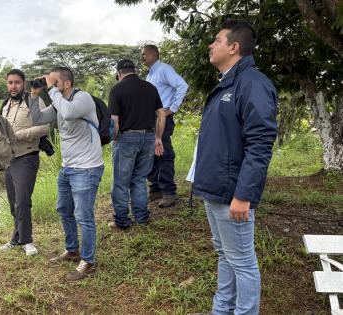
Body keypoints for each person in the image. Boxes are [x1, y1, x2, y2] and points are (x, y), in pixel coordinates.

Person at [187, 20, 278, 314]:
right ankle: (222, 309)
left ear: (234, 47)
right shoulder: (227, 82)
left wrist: (243, 195)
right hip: (215, 189)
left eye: (216, 40)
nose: (211, 46)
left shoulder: (252, 83)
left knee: (242, 261)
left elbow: (260, 144)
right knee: (225, 255)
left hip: (232, 193)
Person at [29, 66, 104, 281]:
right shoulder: (58, 102)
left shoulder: (83, 99)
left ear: (67, 83)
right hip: (68, 167)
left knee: (84, 216)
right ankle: (72, 250)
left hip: (87, 168)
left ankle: (88, 261)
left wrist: (50, 89)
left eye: (53, 82)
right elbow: (37, 119)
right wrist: (34, 96)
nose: (49, 86)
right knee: (63, 208)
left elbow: (69, 112)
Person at [107, 59, 166, 230]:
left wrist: (114, 138)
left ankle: (122, 221)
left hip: (127, 138)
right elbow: (161, 115)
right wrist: (158, 137)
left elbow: (114, 121)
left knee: (120, 182)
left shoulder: (117, 89)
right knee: (139, 179)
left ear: (119, 73)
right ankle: (141, 218)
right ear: (134, 70)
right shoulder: (150, 87)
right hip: (148, 137)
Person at [0, 69, 49, 256]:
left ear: (24, 83)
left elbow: (45, 127)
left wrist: (18, 135)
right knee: (13, 202)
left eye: (17, 82)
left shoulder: (33, 100)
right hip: (9, 159)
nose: (13, 86)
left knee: (22, 201)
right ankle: (16, 239)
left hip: (27, 157)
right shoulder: (5, 105)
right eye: (10, 82)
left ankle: (27, 241)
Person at [142, 44, 189, 207]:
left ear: (154, 55)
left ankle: (169, 192)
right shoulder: (150, 74)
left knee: (164, 153)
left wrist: (172, 109)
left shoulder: (163, 69)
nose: (142, 57)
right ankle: (155, 188)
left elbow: (182, 85)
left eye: (145, 54)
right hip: (151, 119)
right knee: (152, 153)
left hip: (163, 118)